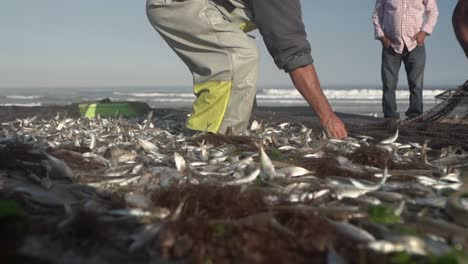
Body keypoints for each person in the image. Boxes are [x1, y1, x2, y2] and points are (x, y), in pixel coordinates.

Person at [146, 0, 347, 139]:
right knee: (239, 56)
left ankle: (231, 127)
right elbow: (294, 55)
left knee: (237, 56)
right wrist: (327, 116)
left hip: (203, 6)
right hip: (178, 5)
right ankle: (209, 138)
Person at [372, 0, 439, 121]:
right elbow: (377, 13)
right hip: (391, 44)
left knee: (416, 84)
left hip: (415, 44)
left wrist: (424, 32)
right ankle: (389, 117)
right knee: (388, 84)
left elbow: (433, 11)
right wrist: (381, 37)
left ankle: (415, 115)